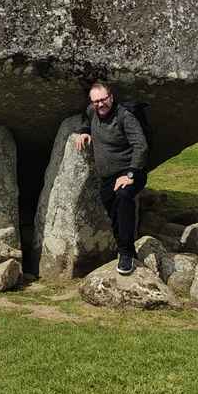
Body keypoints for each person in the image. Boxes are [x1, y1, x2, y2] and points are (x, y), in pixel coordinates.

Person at [73, 81, 148, 275]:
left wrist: (130, 174)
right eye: (96, 101)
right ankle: (126, 249)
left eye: (103, 100)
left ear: (111, 97)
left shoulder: (125, 116)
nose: (100, 104)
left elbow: (141, 145)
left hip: (130, 173)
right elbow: (85, 116)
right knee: (114, 215)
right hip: (107, 178)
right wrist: (84, 131)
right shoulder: (92, 112)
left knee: (123, 198)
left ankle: (126, 254)